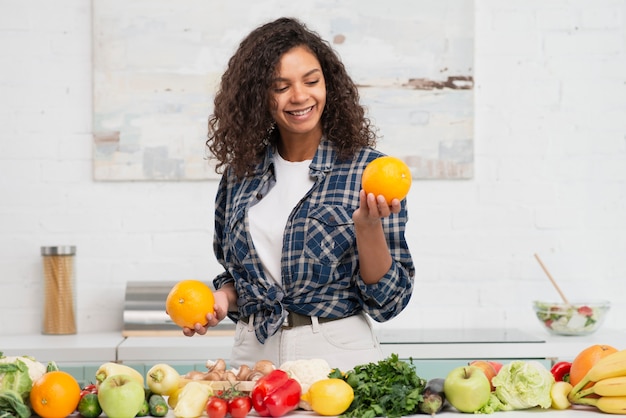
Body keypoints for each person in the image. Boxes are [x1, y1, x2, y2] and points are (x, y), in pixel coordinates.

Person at [185, 17, 415, 372]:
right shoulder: (239, 175)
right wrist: (222, 299)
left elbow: (389, 303)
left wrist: (368, 228)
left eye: (312, 81)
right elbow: (235, 274)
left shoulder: (368, 173)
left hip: (337, 354)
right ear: (258, 96)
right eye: (280, 86)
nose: (300, 96)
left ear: (329, 85)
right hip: (252, 354)